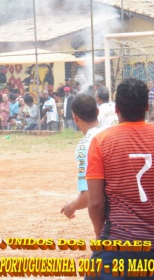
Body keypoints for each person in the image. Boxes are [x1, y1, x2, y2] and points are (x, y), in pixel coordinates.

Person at [85, 78, 154, 280]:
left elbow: (96, 203)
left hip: (118, 244)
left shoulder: (101, 141)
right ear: (147, 107)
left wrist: (99, 235)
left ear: (116, 109)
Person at [60, 93, 106, 219]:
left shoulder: (84, 146)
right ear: (97, 111)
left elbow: (89, 194)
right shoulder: (112, 131)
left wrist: (72, 206)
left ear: (75, 118)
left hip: (114, 221)